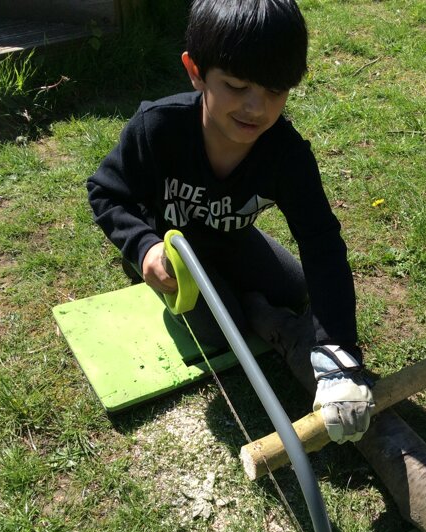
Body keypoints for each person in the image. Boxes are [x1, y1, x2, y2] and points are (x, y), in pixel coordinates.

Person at [87, 0, 373, 444]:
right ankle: (202, 290)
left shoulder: (287, 155)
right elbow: (106, 191)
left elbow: (322, 244)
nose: (256, 108)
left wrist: (339, 356)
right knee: (225, 332)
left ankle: (243, 295)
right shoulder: (157, 127)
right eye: (237, 86)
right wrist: (144, 246)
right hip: (177, 256)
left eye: (275, 91)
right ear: (195, 71)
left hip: (233, 238)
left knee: (296, 290)